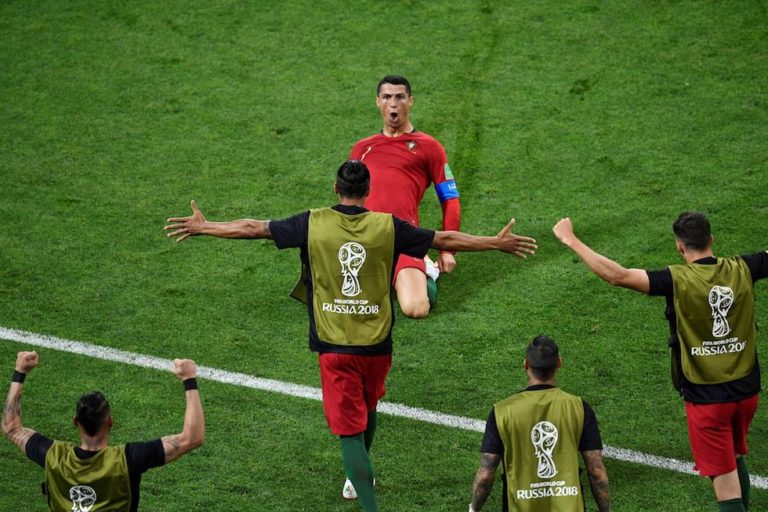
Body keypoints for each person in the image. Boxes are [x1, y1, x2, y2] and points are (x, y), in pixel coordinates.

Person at [164, 159, 537, 512]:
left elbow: (253, 228)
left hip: (335, 347)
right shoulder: (388, 226)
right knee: (369, 407)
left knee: (349, 434)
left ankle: (367, 500)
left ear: (335, 188)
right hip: (377, 345)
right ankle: (356, 476)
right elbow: (445, 238)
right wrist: (496, 242)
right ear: (368, 190)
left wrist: (205, 226)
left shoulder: (312, 223)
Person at [553, 213, 767, 512]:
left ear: (680, 246)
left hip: (708, 398)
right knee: (734, 455)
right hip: (747, 391)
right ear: (711, 239)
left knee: (725, 485)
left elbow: (617, 275)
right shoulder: (745, 267)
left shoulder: (675, 279)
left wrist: (570, 239)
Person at [2, 351, 205, 512]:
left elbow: (11, 428)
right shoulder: (128, 460)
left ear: (75, 422)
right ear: (110, 422)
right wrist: (189, 379)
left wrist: (20, 372)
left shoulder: (53, 455)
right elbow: (192, 437)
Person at [350, 75, 461, 318]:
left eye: (400, 97)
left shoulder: (429, 147)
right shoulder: (362, 148)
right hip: (364, 238)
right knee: (346, 302)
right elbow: (348, 198)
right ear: (377, 102)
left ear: (410, 101)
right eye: (387, 97)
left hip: (403, 237)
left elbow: (450, 199)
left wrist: (448, 250)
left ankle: (427, 271)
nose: (393, 103)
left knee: (416, 308)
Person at [469, 335, 610, 512]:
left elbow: (485, 475)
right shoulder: (580, 408)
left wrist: (473, 509)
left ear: (526, 365)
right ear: (559, 363)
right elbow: (596, 472)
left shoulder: (502, 412)